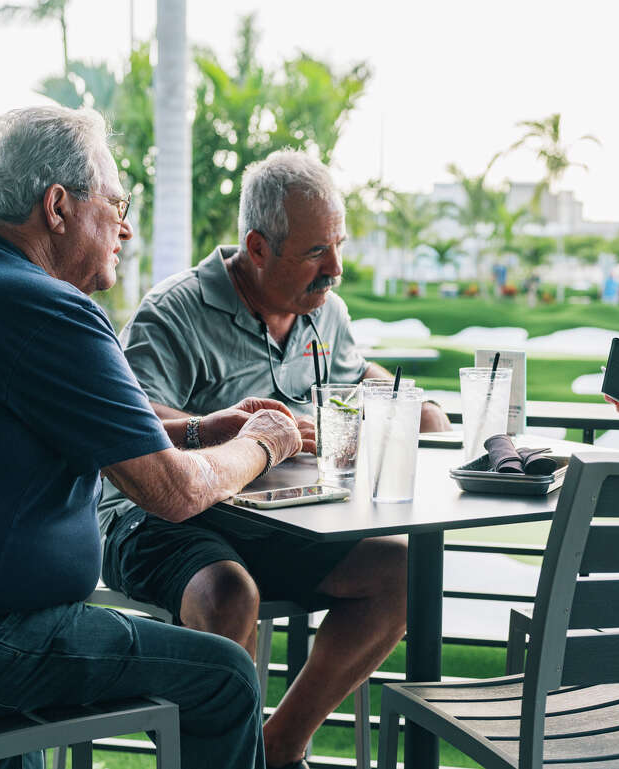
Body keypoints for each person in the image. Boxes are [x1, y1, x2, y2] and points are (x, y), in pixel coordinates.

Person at [0, 106, 307, 769]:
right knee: (225, 676)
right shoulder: (45, 309)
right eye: (114, 205)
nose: (127, 227)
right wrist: (265, 438)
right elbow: (175, 492)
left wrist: (203, 426)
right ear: (57, 206)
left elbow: (92, 422)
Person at [100, 150, 447, 769]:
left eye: (337, 245)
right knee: (229, 594)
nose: (335, 268)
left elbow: (353, 377)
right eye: (317, 252)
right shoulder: (173, 310)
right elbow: (133, 423)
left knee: (401, 574)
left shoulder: (324, 314)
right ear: (257, 249)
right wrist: (212, 430)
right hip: (158, 519)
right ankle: (212, 759)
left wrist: (404, 401)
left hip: (278, 521)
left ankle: (277, 747)